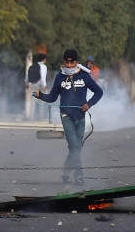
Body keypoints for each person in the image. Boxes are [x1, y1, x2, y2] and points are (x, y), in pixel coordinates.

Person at [34, 49, 103, 185]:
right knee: (75, 146)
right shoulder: (60, 77)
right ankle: (79, 175)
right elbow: (53, 97)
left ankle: (66, 171)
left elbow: (99, 92)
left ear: (77, 62)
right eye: (67, 62)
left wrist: (88, 104)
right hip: (66, 116)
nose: (69, 65)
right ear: (64, 62)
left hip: (81, 117)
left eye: (72, 62)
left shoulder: (84, 76)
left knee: (75, 148)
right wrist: (41, 95)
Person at [25, 53, 48, 120]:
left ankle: (31, 117)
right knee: (42, 101)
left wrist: (27, 84)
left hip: (33, 85)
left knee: (33, 102)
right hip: (40, 86)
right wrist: (44, 86)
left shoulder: (32, 66)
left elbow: (27, 76)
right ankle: (41, 116)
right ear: (44, 60)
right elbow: (42, 77)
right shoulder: (43, 67)